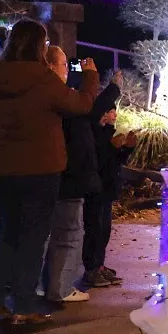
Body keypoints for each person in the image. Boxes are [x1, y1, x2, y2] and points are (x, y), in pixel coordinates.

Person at [0, 20, 98, 325]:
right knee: (33, 237)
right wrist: (90, 76)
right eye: (45, 44)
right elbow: (81, 104)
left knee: (7, 232)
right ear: (37, 46)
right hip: (40, 169)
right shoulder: (44, 80)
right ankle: (23, 304)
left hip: (5, 168)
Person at [42, 48, 120, 303]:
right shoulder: (58, 95)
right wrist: (101, 83)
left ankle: (44, 284)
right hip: (71, 176)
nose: (68, 69)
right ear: (51, 66)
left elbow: (87, 118)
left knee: (61, 233)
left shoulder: (55, 95)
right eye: (64, 64)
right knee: (69, 234)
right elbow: (86, 108)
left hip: (72, 174)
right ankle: (59, 287)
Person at [82, 104, 135, 288]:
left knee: (104, 230)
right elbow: (99, 160)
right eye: (109, 111)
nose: (113, 115)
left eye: (113, 111)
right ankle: (91, 270)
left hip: (107, 190)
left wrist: (127, 148)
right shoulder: (95, 134)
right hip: (97, 190)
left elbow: (114, 161)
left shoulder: (106, 133)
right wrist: (113, 147)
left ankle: (99, 265)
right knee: (94, 230)